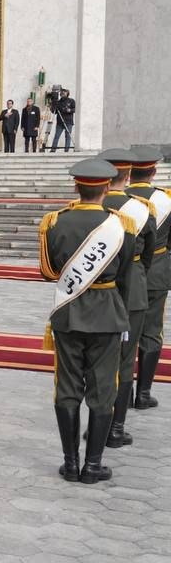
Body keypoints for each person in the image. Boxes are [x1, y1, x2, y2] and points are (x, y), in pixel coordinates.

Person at [39, 158, 136, 483]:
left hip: (69, 312)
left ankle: (70, 463)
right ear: (107, 188)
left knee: (66, 388)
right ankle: (92, 466)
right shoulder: (120, 225)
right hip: (107, 314)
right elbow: (125, 276)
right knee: (104, 388)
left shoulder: (55, 222)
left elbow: (48, 271)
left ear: (76, 187)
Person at [97, 148, 155, 448]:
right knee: (123, 362)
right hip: (132, 291)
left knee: (98, 363)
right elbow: (148, 256)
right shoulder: (142, 209)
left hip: (99, 293)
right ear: (128, 175)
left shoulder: (94, 205)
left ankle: (96, 426)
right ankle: (115, 429)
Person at [127, 147, 170, 411]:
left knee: (121, 334)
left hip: (126, 273)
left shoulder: (118, 200)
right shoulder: (166, 200)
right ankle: (143, 393)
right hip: (156, 270)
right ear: (153, 172)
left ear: (129, 173)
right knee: (151, 332)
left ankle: (119, 395)